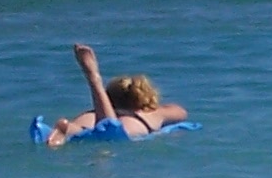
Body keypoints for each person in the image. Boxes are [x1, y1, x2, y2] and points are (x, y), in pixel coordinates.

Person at [38, 43, 189, 146]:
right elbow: (182, 113)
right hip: (126, 124)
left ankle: (67, 128)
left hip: (94, 116)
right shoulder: (152, 113)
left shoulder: (91, 114)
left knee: (81, 130)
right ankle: (94, 79)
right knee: (109, 130)